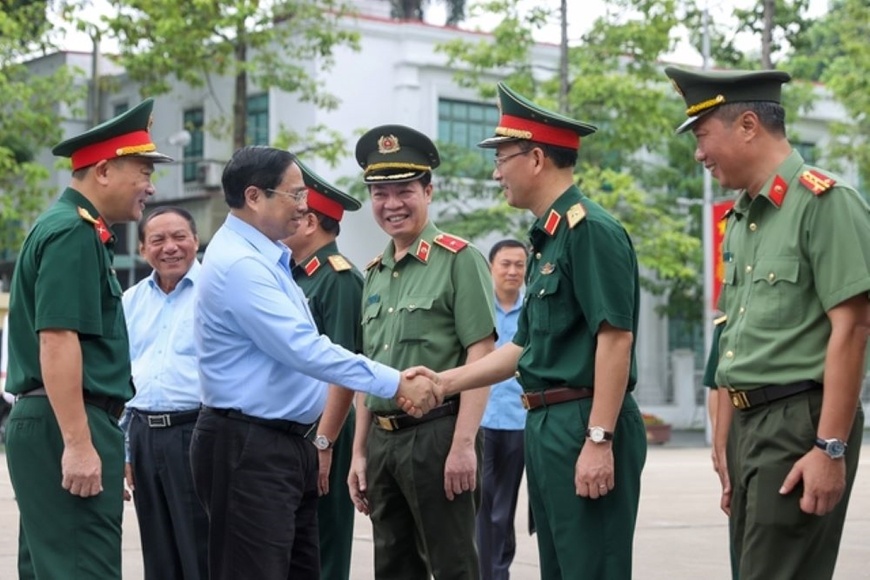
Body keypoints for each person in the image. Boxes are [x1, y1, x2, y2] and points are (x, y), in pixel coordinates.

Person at [404, 83, 648, 579]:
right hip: (546, 423)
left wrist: (599, 439)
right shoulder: (546, 239)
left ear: (536, 158)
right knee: (559, 568)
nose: (495, 172)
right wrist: (445, 383)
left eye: (503, 157)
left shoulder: (590, 230)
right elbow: (524, 345)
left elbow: (615, 338)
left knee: (591, 566)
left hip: (583, 418)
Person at [189, 145, 442, 580]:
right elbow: (307, 349)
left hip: (281, 443)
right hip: (249, 446)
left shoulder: (267, 257)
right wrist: (395, 382)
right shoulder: (241, 265)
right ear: (254, 197)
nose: (304, 207)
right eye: (294, 194)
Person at [665, 66, 870, 580]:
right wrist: (725, 436)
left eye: (704, 135)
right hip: (749, 425)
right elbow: (733, 335)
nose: (699, 153)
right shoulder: (739, 219)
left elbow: (853, 330)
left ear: (749, 125)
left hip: (799, 421)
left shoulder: (825, 202)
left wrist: (830, 448)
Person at [4, 99, 172, 579]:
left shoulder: (66, 228)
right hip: (67, 417)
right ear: (103, 170)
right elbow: (57, 339)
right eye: (142, 170)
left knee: (52, 568)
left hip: (57, 416)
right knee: (83, 569)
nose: (150, 185)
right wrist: (79, 443)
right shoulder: (73, 233)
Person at [348, 125, 496, 580]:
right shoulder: (374, 273)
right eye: (380, 193)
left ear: (428, 191)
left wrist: (464, 446)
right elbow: (367, 370)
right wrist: (358, 452)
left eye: (404, 191)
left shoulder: (459, 259)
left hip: (438, 436)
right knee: (392, 566)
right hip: (382, 441)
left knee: (452, 564)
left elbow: (482, 354)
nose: (392, 204)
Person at [283, 159, 363, 580]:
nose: (283, 222)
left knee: (323, 545)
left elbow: (344, 370)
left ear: (311, 221)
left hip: (323, 431)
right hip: (294, 430)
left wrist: (325, 442)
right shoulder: (293, 276)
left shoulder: (338, 280)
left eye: (293, 215)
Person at [121, 206, 208, 579]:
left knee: (201, 550)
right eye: (157, 240)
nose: (170, 247)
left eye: (179, 237)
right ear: (143, 249)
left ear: (196, 241)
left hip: (197, 431)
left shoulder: (217, 295)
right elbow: (121, 378)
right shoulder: (130, 301)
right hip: (142, 434)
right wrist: (125, 448)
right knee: (158, 552)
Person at [477, 238, 529, 580]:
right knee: (482, 506)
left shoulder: (534, 309)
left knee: (503, 508)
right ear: (491, 268)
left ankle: (498, 572)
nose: (512, 271)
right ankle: (488, 572)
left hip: (519, 421)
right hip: (480, 421)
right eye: (505, 264)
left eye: (519, 265)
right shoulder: (479, 308)